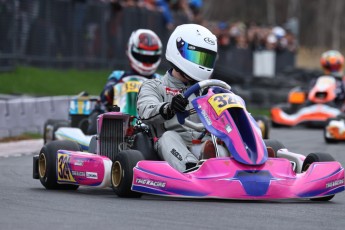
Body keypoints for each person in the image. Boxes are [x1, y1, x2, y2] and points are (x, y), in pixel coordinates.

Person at [137, 24, 218, 172]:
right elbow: (145, 110)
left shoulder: (211, 91)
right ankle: (192, 169)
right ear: (178, 51)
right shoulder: (154, 85)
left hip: (208, 141)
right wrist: (170, 107)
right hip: (174, 144)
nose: (201, 64)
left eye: (205, 60)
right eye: (196, 57)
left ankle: (251, 162)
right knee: (168, 137)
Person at [86, 29, 162, 134]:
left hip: (153, 129)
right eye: (142, 57)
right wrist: (112, 91)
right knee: (96, 114)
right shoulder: (118, 76)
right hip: (117, 128)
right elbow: (104, 98)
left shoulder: (161, 80)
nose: (147, 62)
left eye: (151, 58)